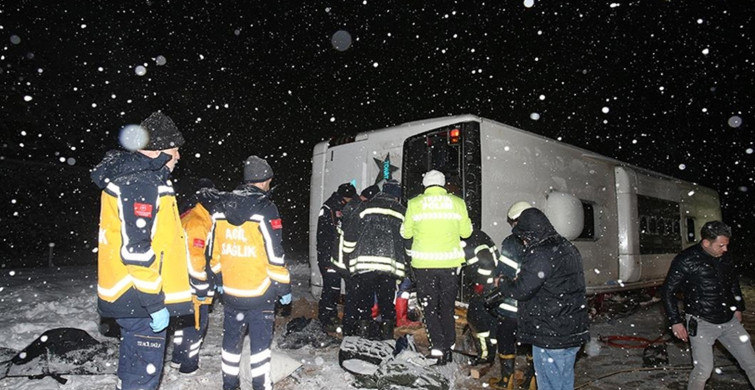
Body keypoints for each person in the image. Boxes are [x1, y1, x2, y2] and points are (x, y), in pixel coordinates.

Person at [91, 111, 194, 390]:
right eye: (175, 150)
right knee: (144, 375)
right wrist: (154, 303)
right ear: (159, 149)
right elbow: (136, 249)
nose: (178, 157)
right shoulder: (140, 181)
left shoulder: (142, 177)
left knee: (133, 366)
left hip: (130, 293)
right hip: (138, 297)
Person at [206, 155, 292, 390]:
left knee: (231, 345)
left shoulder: (221, 208)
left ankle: (229, 385)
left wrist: (218, 279)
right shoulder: (267, 209)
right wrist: (283, 288)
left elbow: (213, 251)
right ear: (266, 181)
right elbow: (275, 254)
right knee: (260, 348)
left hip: (232, 292)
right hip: (260, 292)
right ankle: (260, 386)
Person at [492, 207, 589, 390]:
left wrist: (503, 282)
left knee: (549, 384)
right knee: (564, 382)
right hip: (573, 330)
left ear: (530, 232)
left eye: (523, 236)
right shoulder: (568, 247)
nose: (523, 240)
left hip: (550, 333)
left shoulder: (540, 253)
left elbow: (522, 290)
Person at [660, 221, 755, 390]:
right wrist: (675, 321)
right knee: (704, 370)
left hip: (729, 320)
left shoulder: (725, 257)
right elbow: (668, 291)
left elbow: (733, 283)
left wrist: (738, 307)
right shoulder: (685, 260)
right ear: (706, 243)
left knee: (752, 364)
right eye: (721, 245)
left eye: (726, 245)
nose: (725, 249)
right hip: (702, 322)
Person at [400, 170, 473, 365]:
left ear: (425, 184)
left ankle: (438, 349)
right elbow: (466, 232)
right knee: (447, 308)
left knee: (430, 308)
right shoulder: (457, 203)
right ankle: (449, 347)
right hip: (449, 265)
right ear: (443, 184)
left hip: (424, 267)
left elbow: (406, 234)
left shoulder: (415, 204)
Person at [341, 180, 407, 339]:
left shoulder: (365, 207)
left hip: (365, 265)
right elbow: (407, 238)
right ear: (397, 197)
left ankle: (363, 334)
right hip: (388, 267)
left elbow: (351, 233)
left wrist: (347, 254)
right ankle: (387, 337)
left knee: (365, 301)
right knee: (386, 303)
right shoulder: (401, 211)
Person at [484, 201, 536, 389]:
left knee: (505, 337)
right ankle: (532, 380)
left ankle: (507, 380)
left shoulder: (511, 242)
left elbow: (502, 274)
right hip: (534, 307)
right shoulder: (544, 241)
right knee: (532, 342)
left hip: (511, 306)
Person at [170, 178, 217, 375]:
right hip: (192, 283)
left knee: (185, 323)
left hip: (180, 280)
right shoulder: (198, 222)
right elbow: (195, 257)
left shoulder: (187, 214)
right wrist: (201, 284)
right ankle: (189, 365)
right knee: (198, 324)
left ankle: (177, 358)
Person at [317, 182, 357, 331]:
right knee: (331, 288)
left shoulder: (348, 207)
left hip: (343, 257)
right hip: (330, 256)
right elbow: (324, 237)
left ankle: (339, 317)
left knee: (345, 289)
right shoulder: (328, 208)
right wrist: (326, 259)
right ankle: (327, 318)